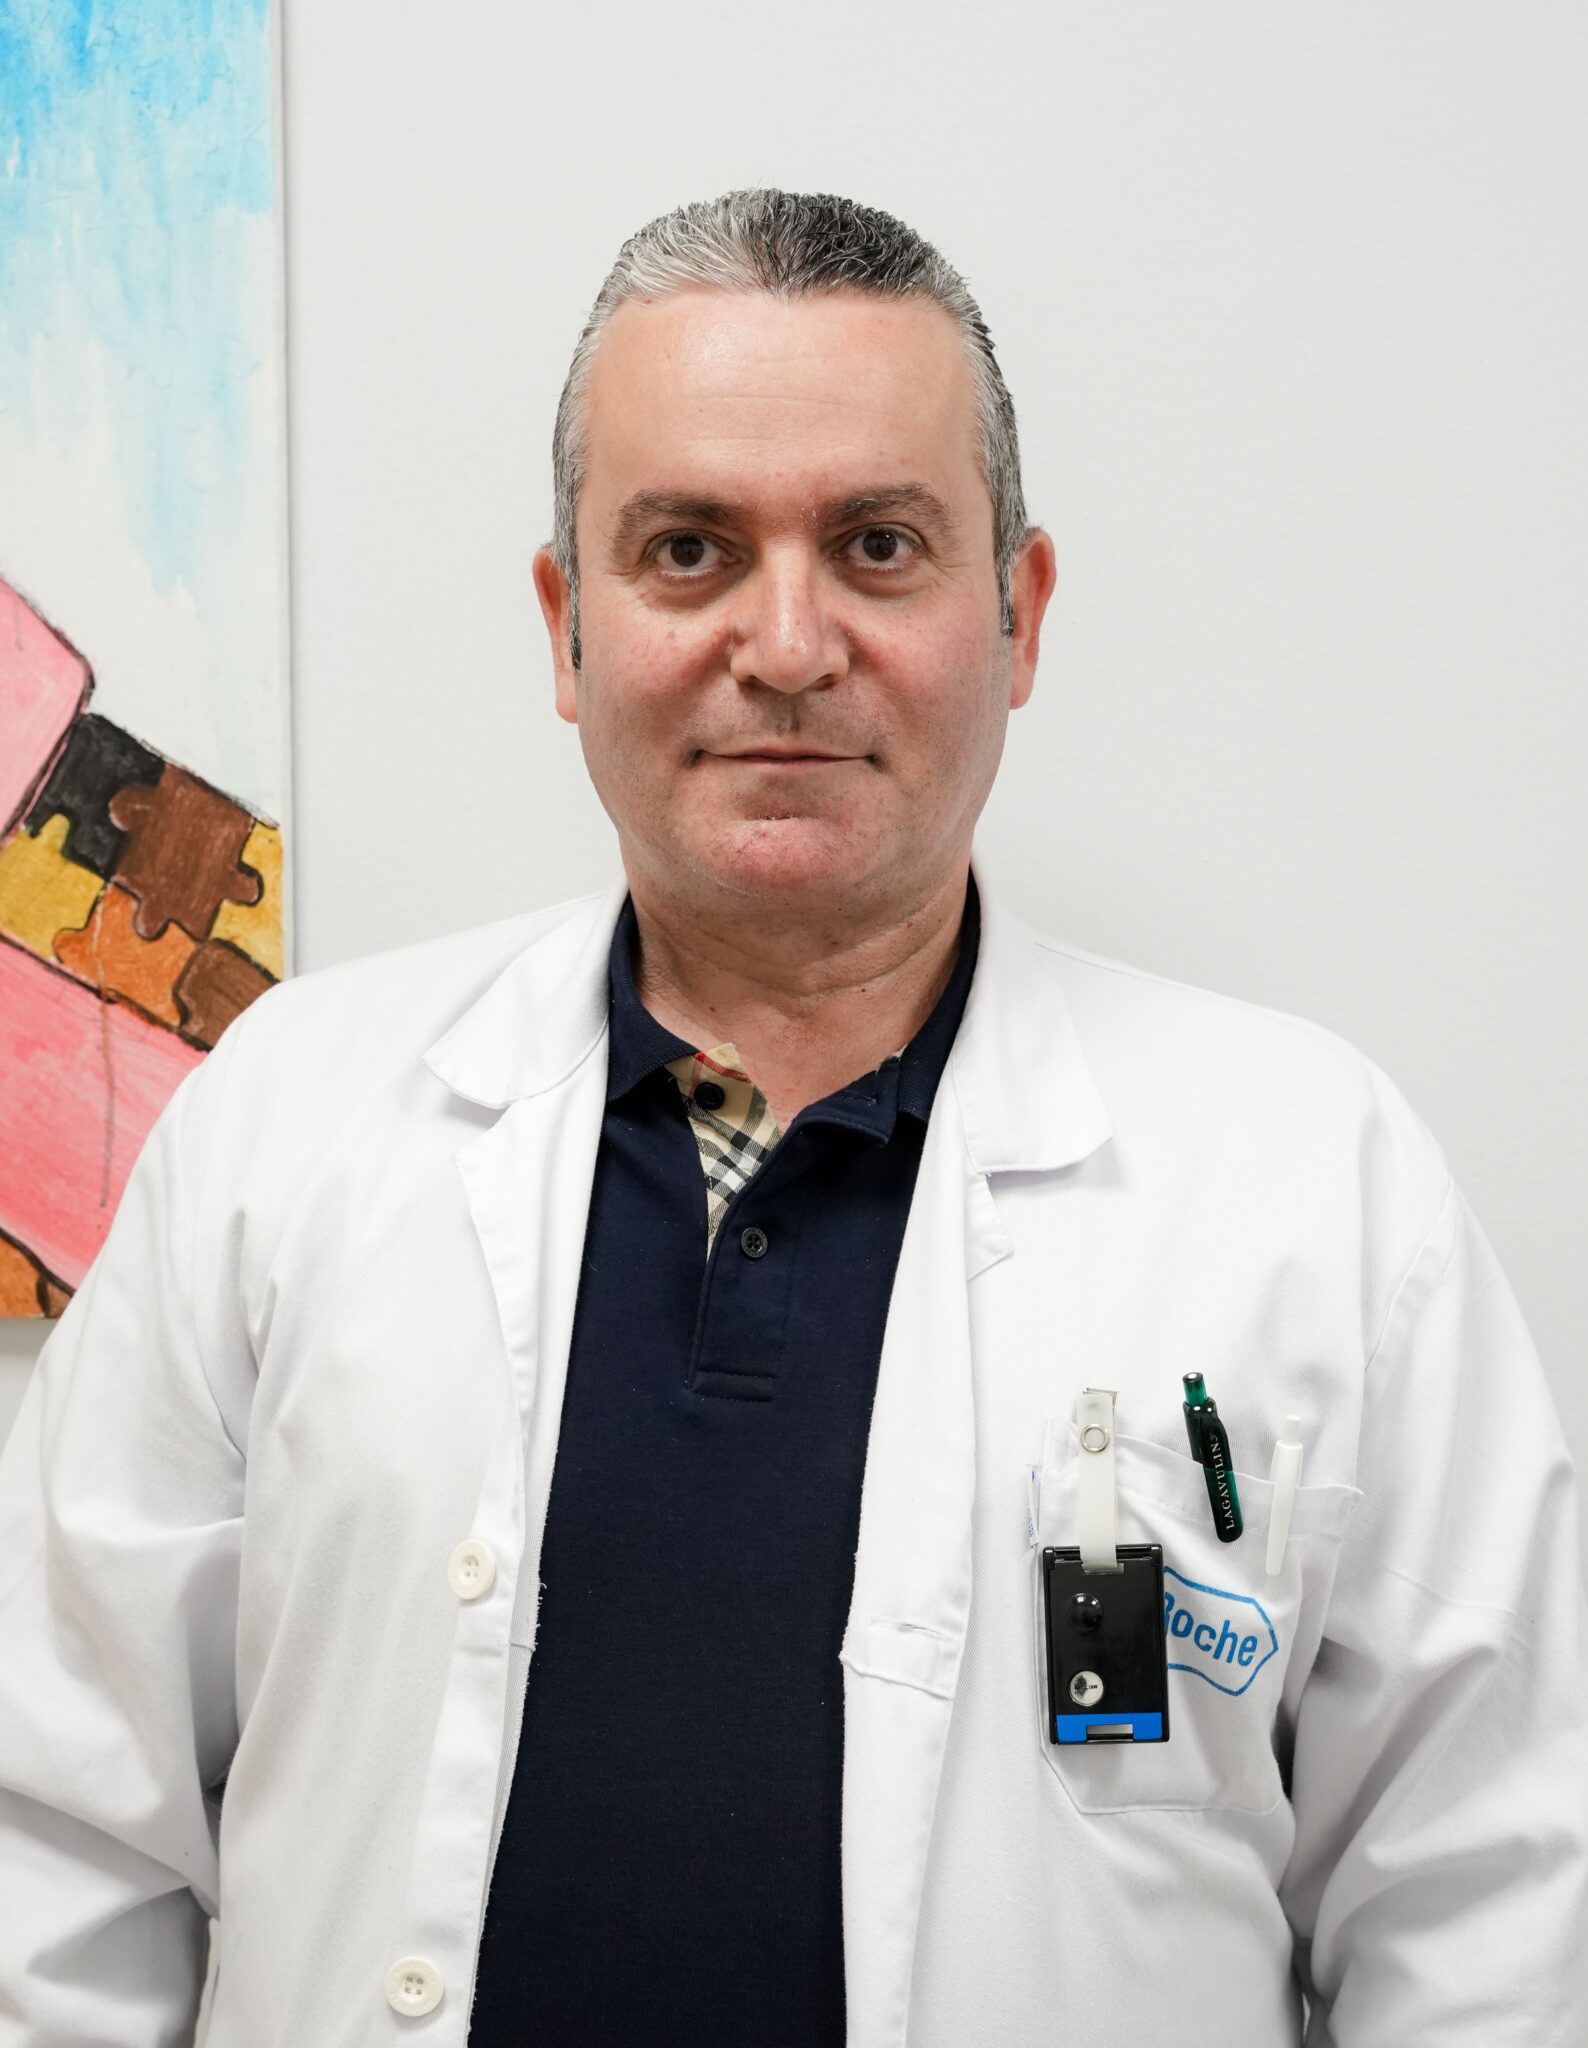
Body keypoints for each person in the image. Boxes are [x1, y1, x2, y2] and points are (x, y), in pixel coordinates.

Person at [1, 187, 1584, 2048]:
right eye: (687, 550)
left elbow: (1490, 1910)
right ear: (566, 628)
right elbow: (60, 1848)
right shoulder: (287, 1128)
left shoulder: (1313, 1183)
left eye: (878, 546)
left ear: (1020, 613)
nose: (786, 640)